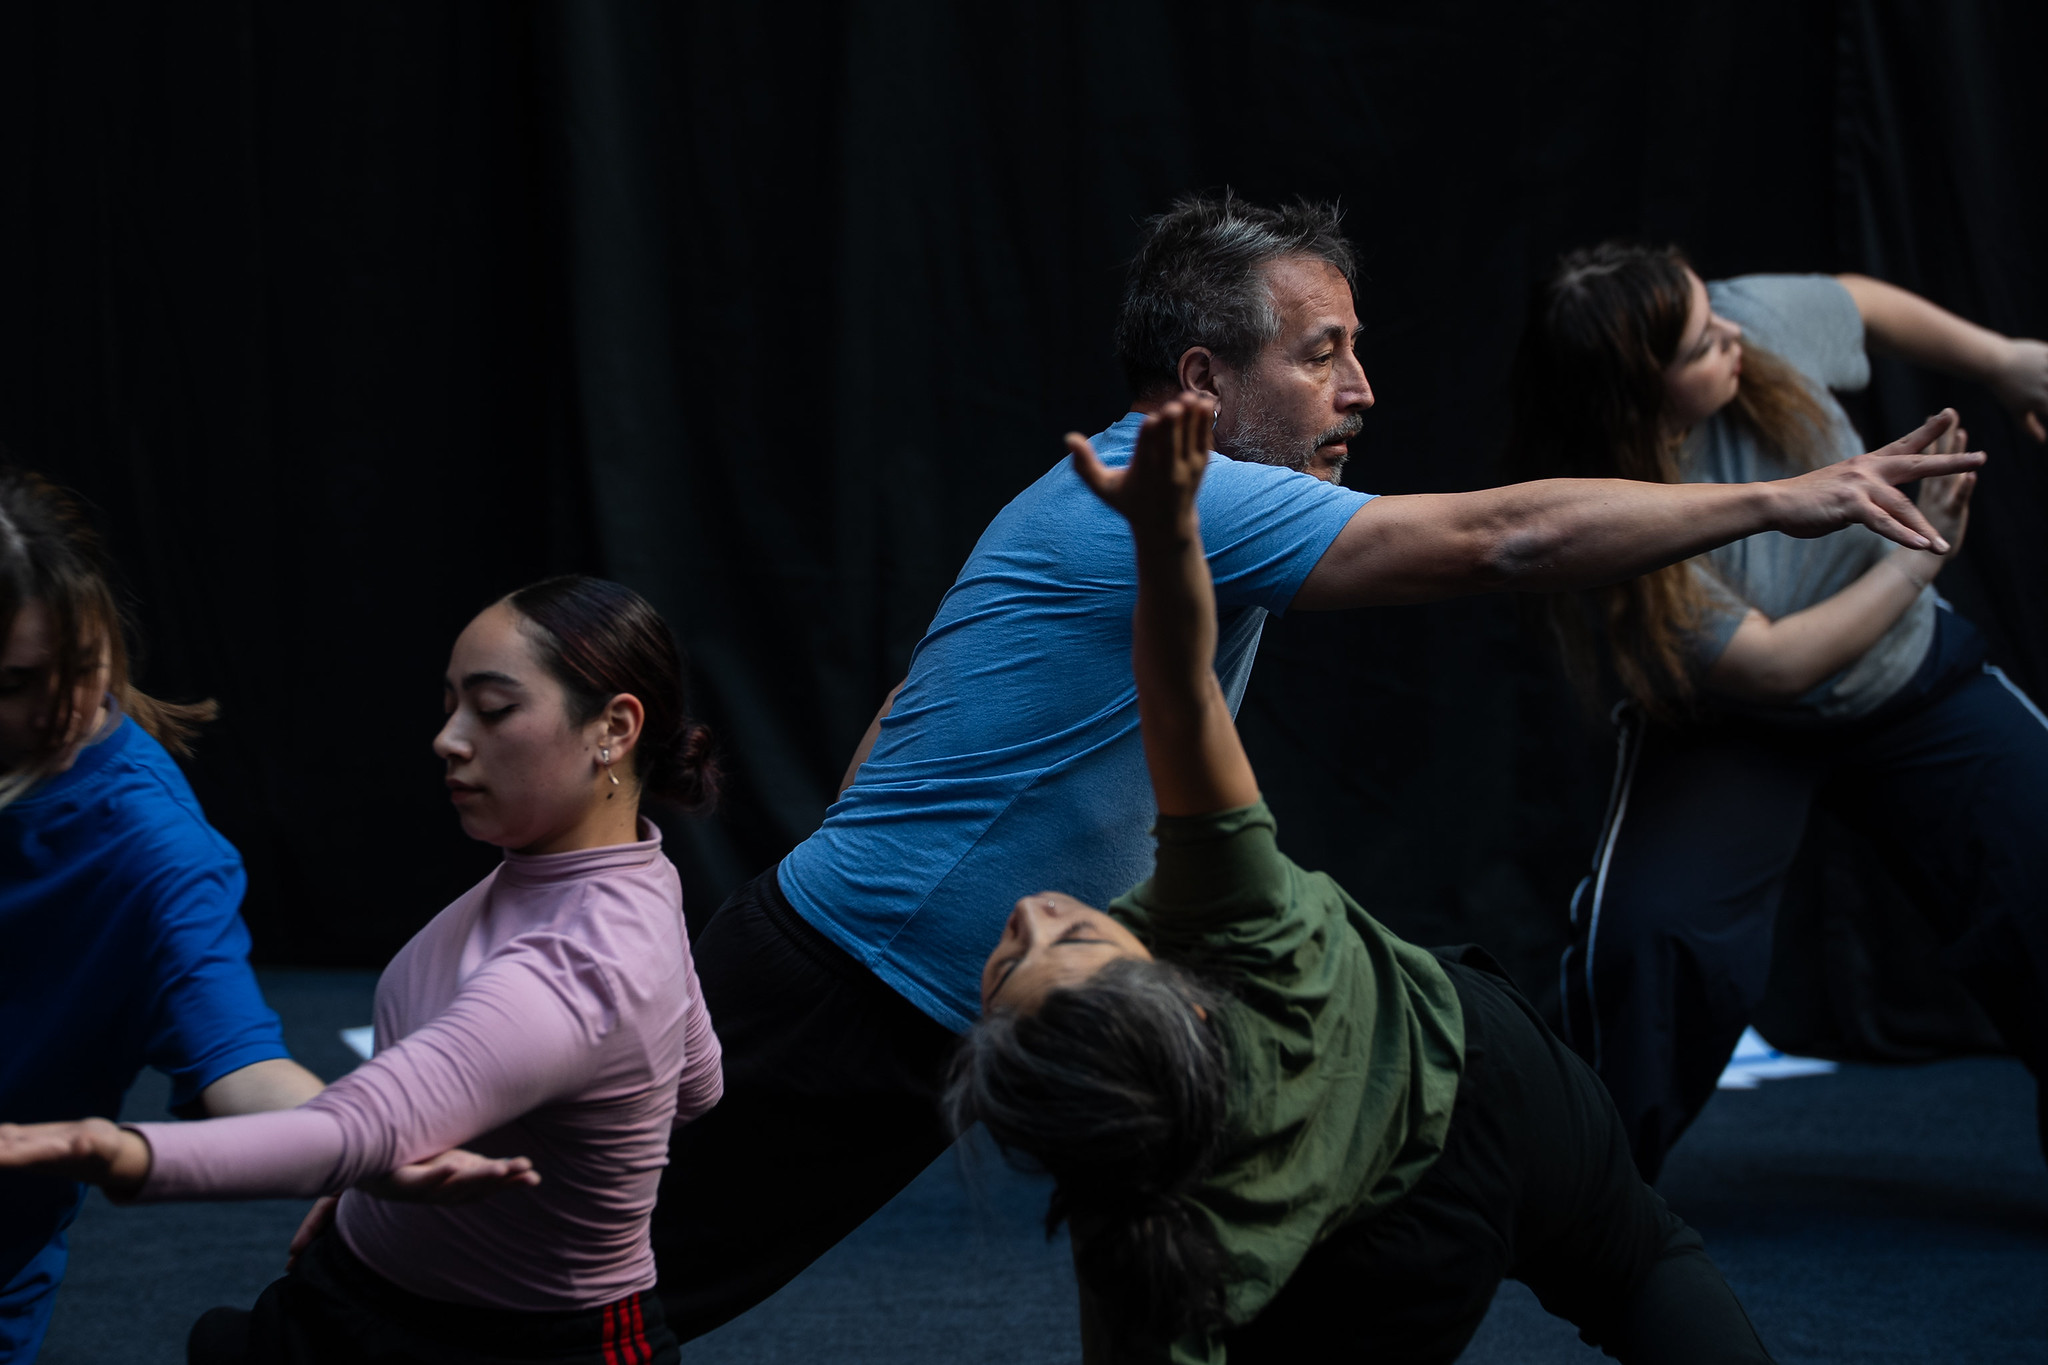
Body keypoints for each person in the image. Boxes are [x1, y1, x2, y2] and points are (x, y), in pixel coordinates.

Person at [651, 192, 1982, 1337]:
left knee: (644, 1288)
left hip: (931, 985)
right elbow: (1500, 540)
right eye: (1320, 355)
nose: (1362, 390)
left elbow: (901, 702)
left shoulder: (1142, 499)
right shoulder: (1187, 493)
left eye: (1357, 351)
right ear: (1202, 383)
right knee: (594, 1290)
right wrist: (1779, 496)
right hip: (845, 983)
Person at [950, 394, 1774, 1364]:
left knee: (1634, 1267)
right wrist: (1170, 535)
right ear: (1192, 1001)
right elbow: (1179, 697)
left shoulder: (1138, 1228)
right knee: (1637, 1266)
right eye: (1066, 942)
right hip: (1485, 1109)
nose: (1032, 914)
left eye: (1011, 959)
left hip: (1437, 1173)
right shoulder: (1238, 929)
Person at [0, 574, 724, 1365]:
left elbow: (355, 1129)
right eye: (450, 705)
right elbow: (697, 1081)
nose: (449, 738)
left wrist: (111, 1150)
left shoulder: (584, 966)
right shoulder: (626, 869)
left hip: (502, 1344)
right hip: (362, 1283)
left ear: (613, 728)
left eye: (492, 708)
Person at [1506, 242, 2048, 1180]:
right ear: (1639, 392)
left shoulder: (1744, 327)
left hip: (1906, 678)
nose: (1734, 333)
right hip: (1731, 726)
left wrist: (2000, 357)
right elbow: (1777, 667)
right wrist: (1923, 556)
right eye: (1701, 342)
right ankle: (1584, 1194)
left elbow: (1857, 301)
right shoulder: (1617, 519)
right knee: (1651, 942)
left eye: (1717, 312)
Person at [0, 466, 329, 1364]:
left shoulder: (155, 849)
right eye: (16, 684)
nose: (61, 711)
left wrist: (371, 1145)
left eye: (81, 666)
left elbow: (244, 1065)